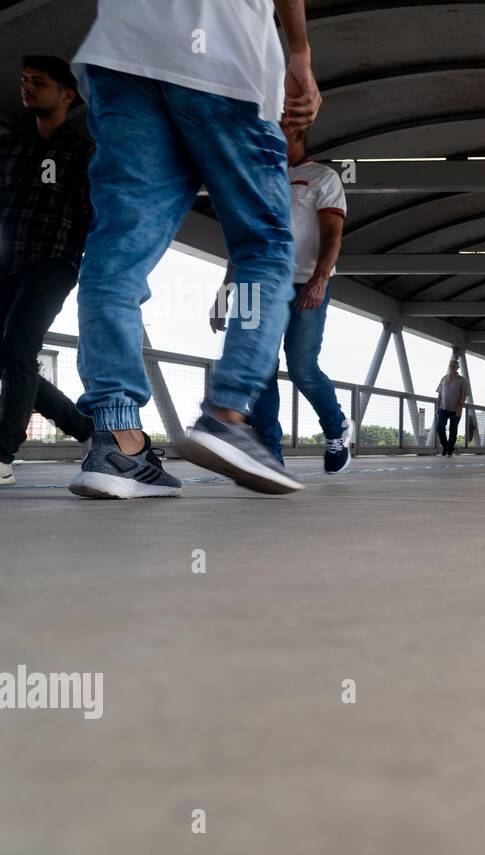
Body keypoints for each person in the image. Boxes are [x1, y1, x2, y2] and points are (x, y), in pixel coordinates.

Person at [68, 0, 320, 499]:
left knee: (116, 255)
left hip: (123, 52)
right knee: (262, 247)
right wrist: (300, 54)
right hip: (226, 57)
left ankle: (118, 441)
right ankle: (227, 414)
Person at [214, 123, 351, 472]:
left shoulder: (323, 177)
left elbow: (333, 236)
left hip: (305, 281)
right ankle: (270, 454)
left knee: (302, 368)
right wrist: (226, 292)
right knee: (261, 367)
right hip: (259, 282)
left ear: (296, 136)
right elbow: (246, 241)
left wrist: (320, 279)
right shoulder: (258, 179)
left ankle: (336, 430)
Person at [0, 56, 96, 487]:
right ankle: (85, 429)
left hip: (53, 263)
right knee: (10, 356)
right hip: (7, 262)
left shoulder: (81, 152)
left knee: (19, 347)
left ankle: (1, 456)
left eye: (39, 82)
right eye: (24, 81)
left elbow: (92, 215)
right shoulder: (10, 146)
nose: (27, 87)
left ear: (66, 94)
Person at [434, 358, 468, 456]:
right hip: (443, 408)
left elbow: (463, 396)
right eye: (451, 365)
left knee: (453, 430)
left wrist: (460, 408)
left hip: (456, 409)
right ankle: (445, 445)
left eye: (454, 365)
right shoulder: (444, 378)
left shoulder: (462, 380)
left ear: (458, 367)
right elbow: (440, 394)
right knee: (440, 428)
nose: (452, 367)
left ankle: (450, 448)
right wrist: (437, 407)